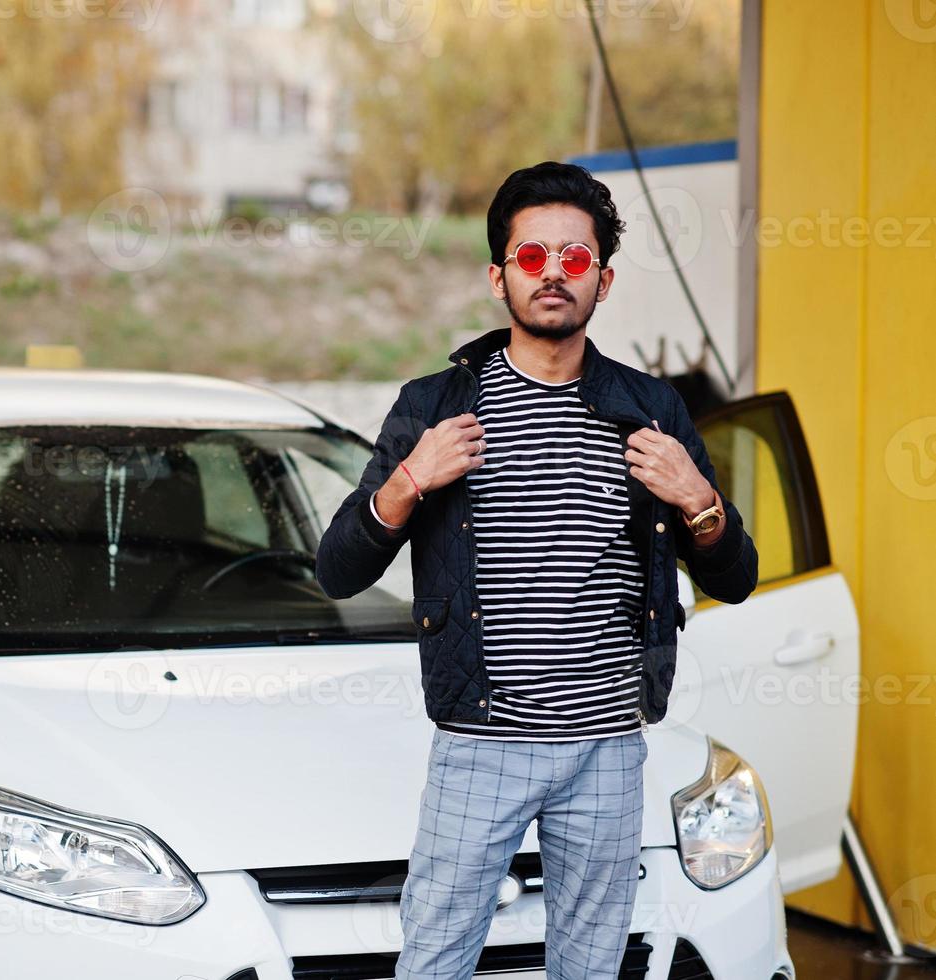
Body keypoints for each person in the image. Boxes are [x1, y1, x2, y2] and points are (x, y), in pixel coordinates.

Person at [313, 161, 759, 979]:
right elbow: (338, 568)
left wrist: (697, 497)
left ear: (603, 280)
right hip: (481, 738)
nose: (553, 273)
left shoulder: (652, 408)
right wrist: (410, 480)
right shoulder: (435, 406)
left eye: (575, 259)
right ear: (497, 277)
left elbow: (735, 576)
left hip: (607, 742)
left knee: (589, 965)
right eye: (530, 257)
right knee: (435, 958)